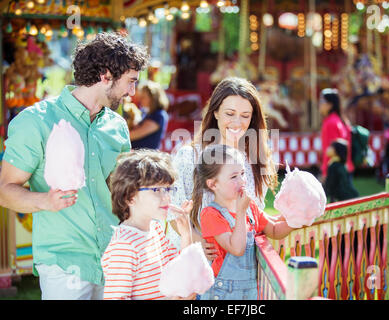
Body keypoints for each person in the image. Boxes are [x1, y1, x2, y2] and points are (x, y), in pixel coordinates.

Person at [0, 32, 149, 300]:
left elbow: (123, 194)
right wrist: (46, 200)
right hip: (64, 261)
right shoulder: (36, 121)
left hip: (114, 257)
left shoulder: (117, 127)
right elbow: (5, 190)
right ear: (105, 75)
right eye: (130, 82)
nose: (132, 92)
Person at [166, 77, 279, 254]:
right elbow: (173, 211)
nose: (237, 122)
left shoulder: (254, 161)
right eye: (230, 113)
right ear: (216, 112)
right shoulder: (190, 156)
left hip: (240, 270)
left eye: (245, 116)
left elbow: (257, 217)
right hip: (195, 264)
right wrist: (199, 242)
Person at [193, 144, 294, 300]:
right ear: (213, 184)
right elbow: (237, 248)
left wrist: (296, 220)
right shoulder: (211, 214)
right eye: (234, 177)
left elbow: (273, 230)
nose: (242, 181)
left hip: (248, 290)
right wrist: (240, 212)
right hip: (221, 293)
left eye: (242, 173)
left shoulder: (249, 206)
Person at [101, 149, 196, 300]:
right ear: (130, 197)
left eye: (168, 189)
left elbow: (178, 272)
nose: (167, 197)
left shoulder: (156, 230)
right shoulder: (124, 245)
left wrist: (186, 235)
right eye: (157, 190)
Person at [319, 88, 354, 180]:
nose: (319, 104)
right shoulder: (339, 120)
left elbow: (333, 151)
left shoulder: (331, 123)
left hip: (336, 171)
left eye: (322, 101)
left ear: (330, 105)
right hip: (344, 168)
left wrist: (325, 172)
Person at [129, 81, 169, 149]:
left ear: (153, 98)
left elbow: (133, 135)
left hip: (146, 157)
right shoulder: (146, 113)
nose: (140, 100)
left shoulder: (159, 115)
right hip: (138, 155)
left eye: (143, 97)